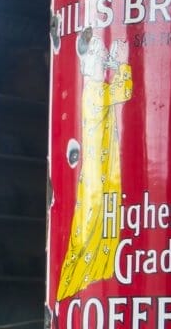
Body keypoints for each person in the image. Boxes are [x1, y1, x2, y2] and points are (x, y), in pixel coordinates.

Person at [56, 33, 133, 301]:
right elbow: (124, 91)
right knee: (89, 236)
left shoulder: (95, 89)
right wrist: (122, 63)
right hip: (96, 181)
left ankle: (99, 282)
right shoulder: (93, 91)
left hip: (106, 177)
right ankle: (74, 290)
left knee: (106, 232)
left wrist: (115, 62)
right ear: (89, 64)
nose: (104, 64)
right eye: (100, 59)